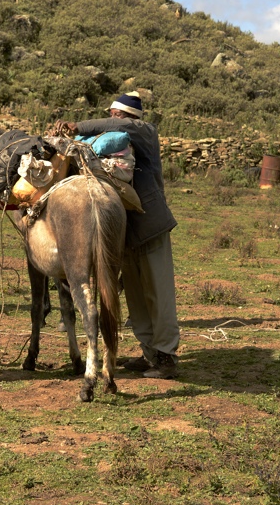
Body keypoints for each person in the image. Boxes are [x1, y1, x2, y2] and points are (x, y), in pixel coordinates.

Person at [58, 91, 180, 379]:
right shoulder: (115, 145)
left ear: (129, 117)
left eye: (115, 115)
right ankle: (149, 351)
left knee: (158, 293)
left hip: (150, 226)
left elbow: (119, 127)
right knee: (137, 295)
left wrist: (79, 126)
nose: (111, 120)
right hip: (124, 231)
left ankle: (166, 358)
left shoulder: (144, 132)